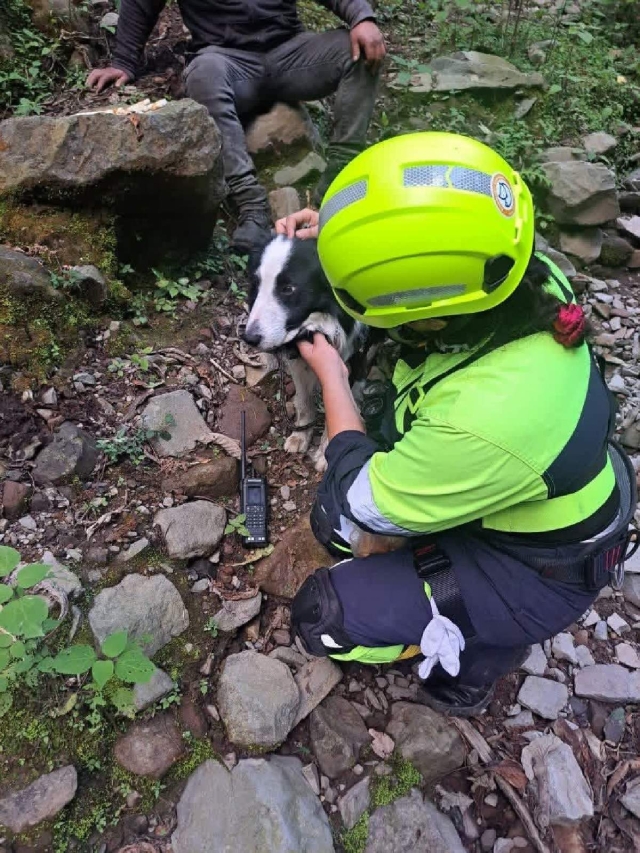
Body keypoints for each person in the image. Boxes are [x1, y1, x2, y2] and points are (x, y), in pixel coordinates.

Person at [276, 132, 637, 717]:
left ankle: (478, 658)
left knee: (323, 614)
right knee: (335, 526)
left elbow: (361, 495)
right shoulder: (522, 271)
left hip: (538, 570)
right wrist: (352, 236)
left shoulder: (485, 419)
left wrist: (333, 381)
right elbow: (442, 230)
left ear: (433, 318)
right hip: (540, 496)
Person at [86, 1, 385, 252]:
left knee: (357, 51)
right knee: (204, 73)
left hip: (292, 54)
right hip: (228, 60)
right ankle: (251, 205)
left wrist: (362, 16)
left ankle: (335, 187)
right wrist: (124, 61)